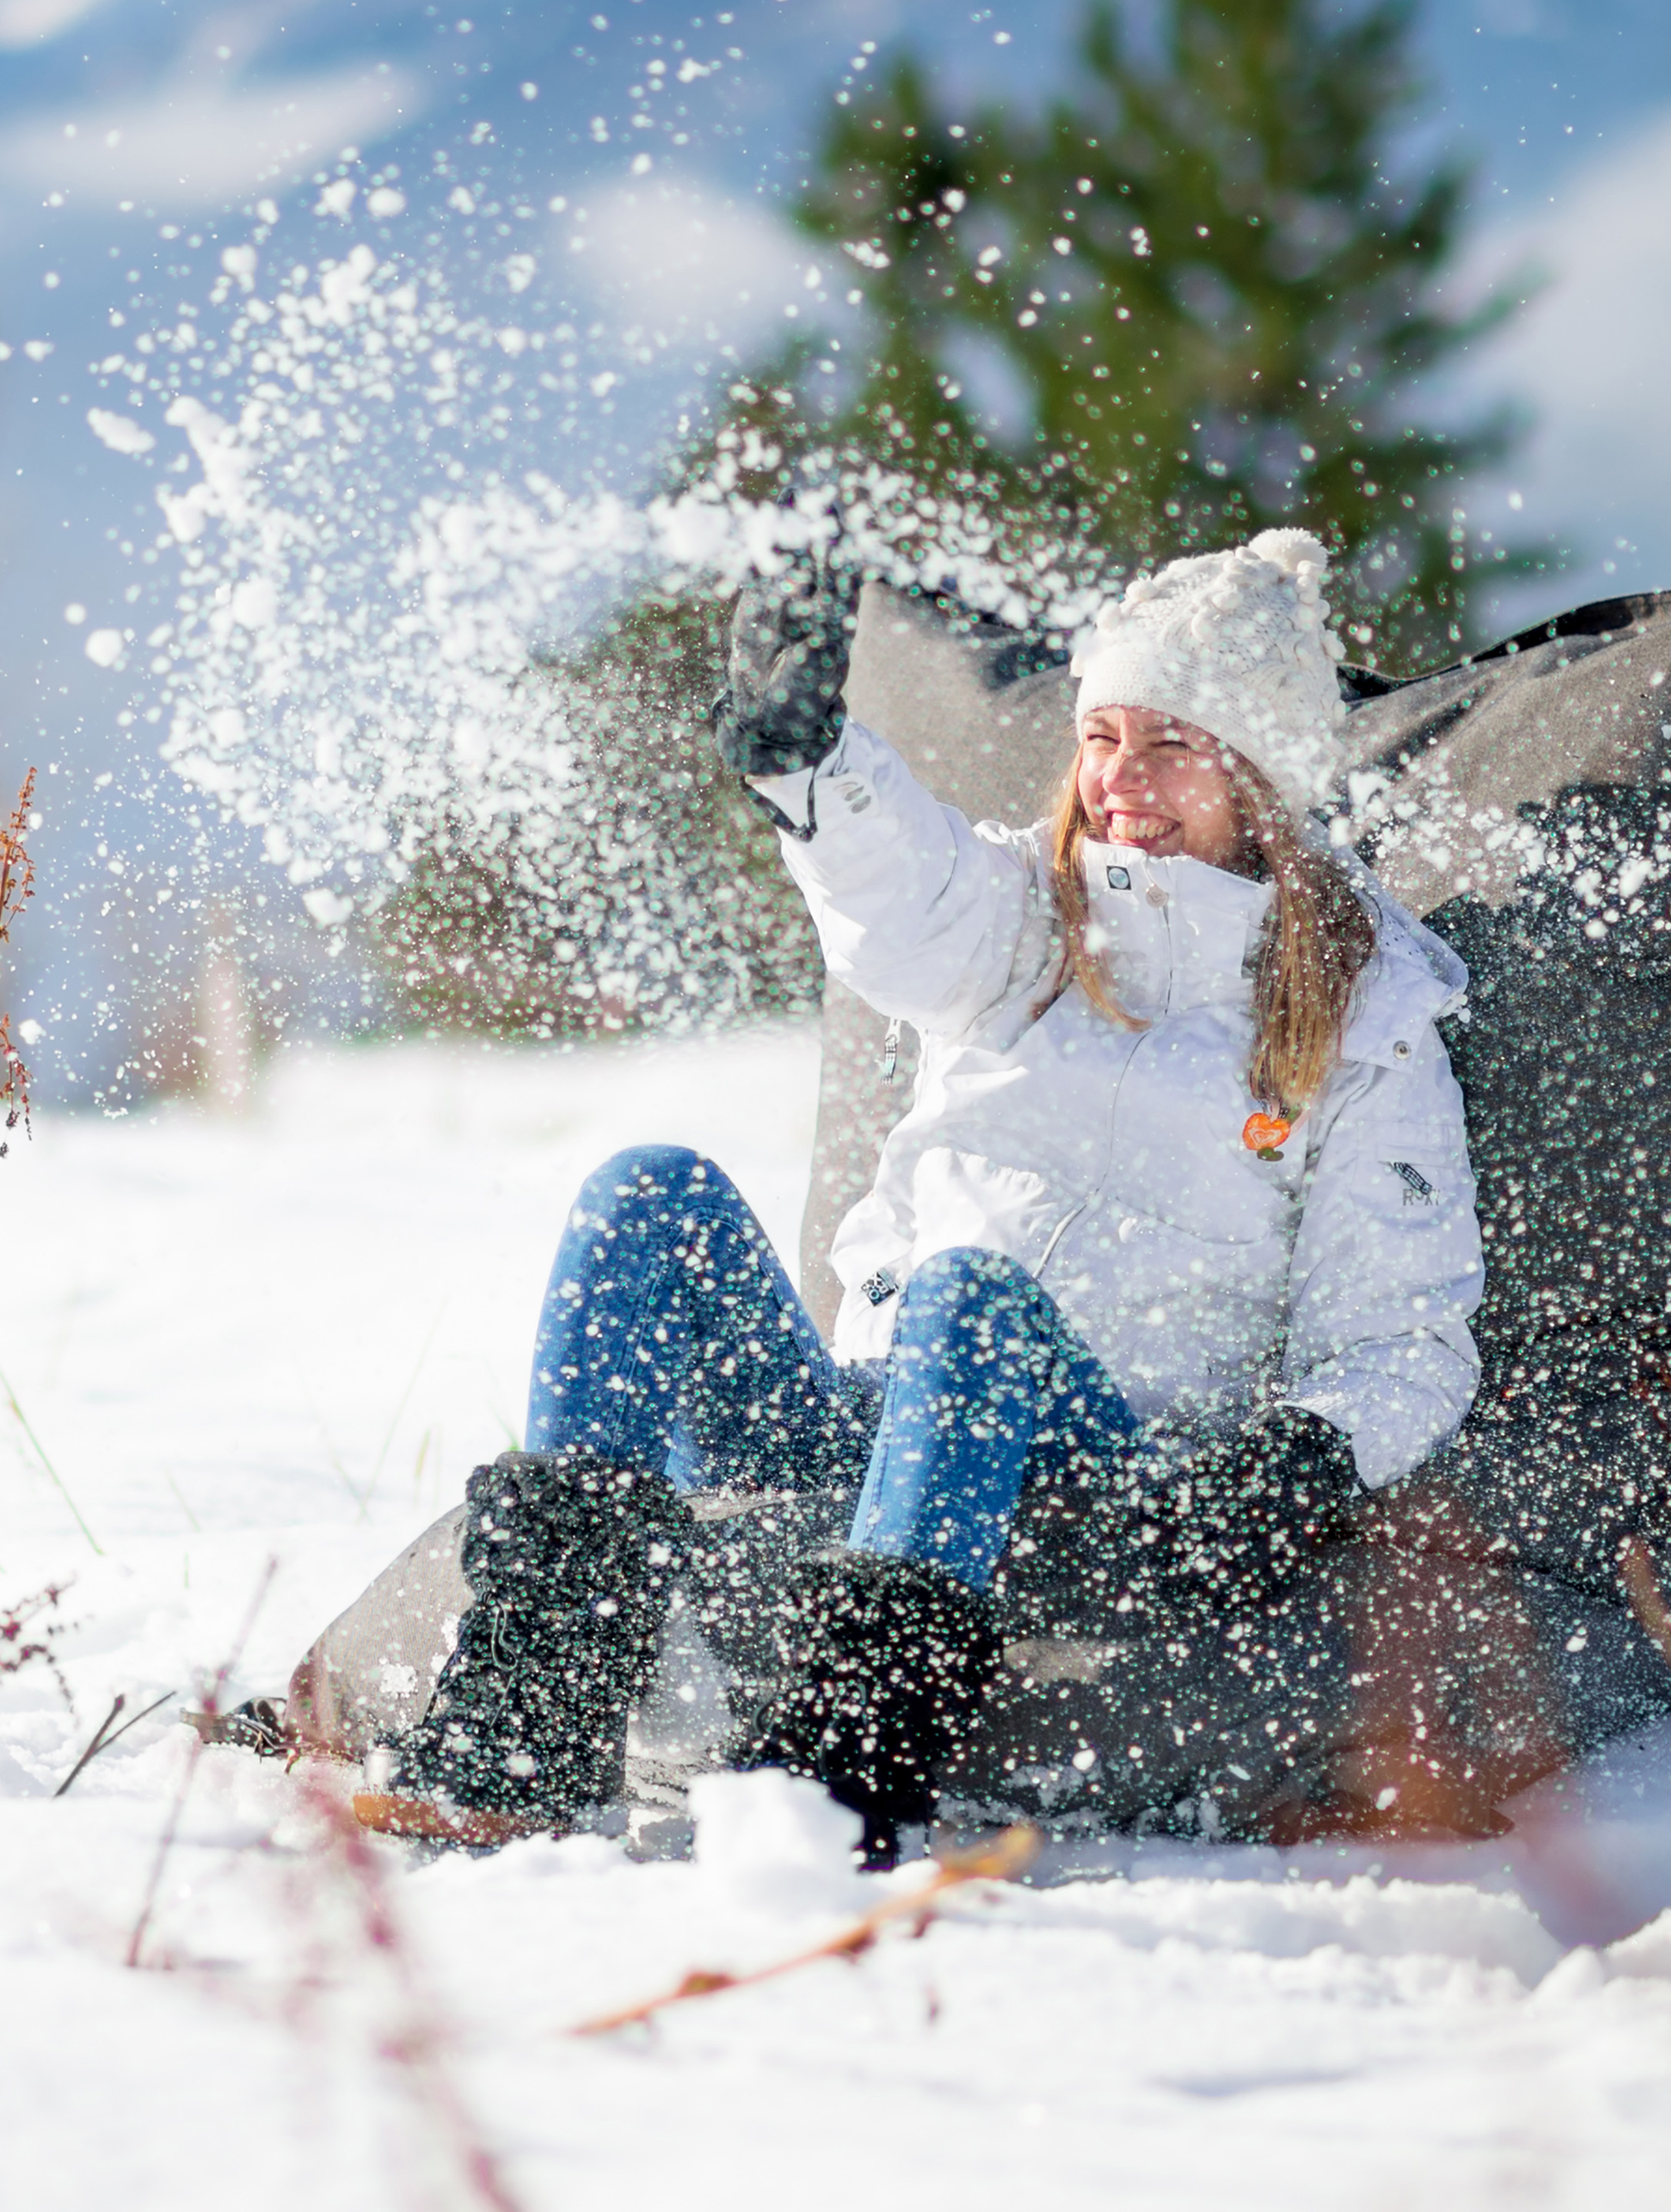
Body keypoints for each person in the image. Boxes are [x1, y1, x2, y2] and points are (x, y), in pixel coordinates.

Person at [364, 529, 1483, 1855]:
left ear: (1260, 773)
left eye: (1172, 743)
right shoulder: (1022, 909)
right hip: (875, 1418)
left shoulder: (1369, 1018)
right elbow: (900, 891)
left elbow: (1401, 1337)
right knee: (647, 1191)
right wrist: (809, 761)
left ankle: (837, 1777)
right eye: (1102, 735)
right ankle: (531, 1717)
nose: (1121, 779)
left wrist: (1302, 1456)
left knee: (976, 1296)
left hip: (1100, 1473)